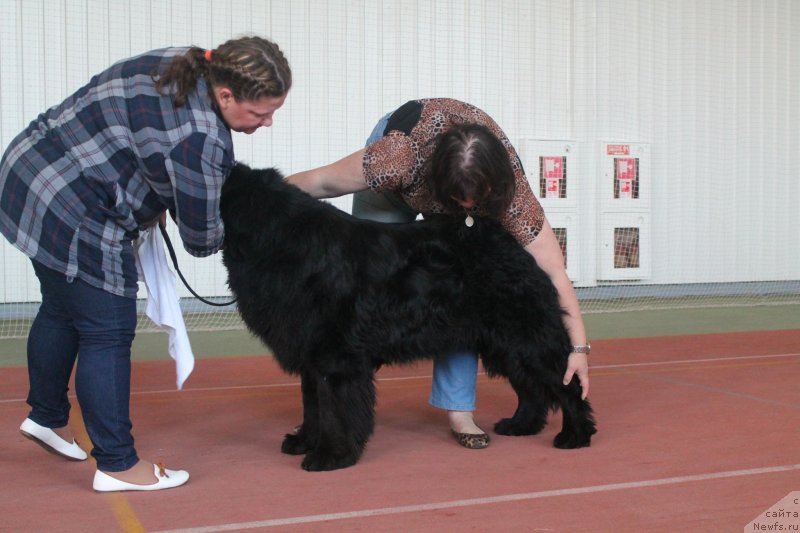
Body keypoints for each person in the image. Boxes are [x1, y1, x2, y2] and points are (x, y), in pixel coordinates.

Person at [0, 36, 291, 491]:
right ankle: (117, 465)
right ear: (227, 94)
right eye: (259, 113)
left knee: (60, 306)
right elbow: (201, 238)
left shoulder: (180, 63)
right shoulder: (202, 139)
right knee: (107, 332)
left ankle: (47, 418)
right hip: (78, 213)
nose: (268, 122)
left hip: (28, 174)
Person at [286, 98, 590, 449]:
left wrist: (578, 347)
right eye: (458, 198)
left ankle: (459, 410)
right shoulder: (393, 160)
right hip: (402, 160)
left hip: (459, 171)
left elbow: (553, 270)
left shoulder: (513, 196)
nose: (465, 207)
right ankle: (340, 401)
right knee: (370, 289)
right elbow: (322, 183)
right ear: (440, 186)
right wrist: (270, 198)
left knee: (459, 296)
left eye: (474, 200)